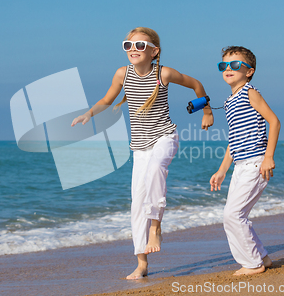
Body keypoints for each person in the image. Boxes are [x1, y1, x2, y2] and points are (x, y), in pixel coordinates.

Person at [71, 27, 213, 279]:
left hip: (165, 137)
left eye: (140, 46)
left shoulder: (164, 73)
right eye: (128, 45)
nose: (133, 50)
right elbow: (107, 100)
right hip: (140, 146)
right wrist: (88, 114)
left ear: (154, 51)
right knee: (137, 201)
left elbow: (196, 85)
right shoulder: (122, 74)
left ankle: (156, 227)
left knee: (157, 170)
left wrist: (207, 111)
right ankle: (141, 262)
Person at [209, 46, 280, 276]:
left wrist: (268, 157)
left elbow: (274, 122)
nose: (228, 69)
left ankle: (252, 264)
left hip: (256, 163)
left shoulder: (250, 92)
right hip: (240, 166)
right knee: (236, 215)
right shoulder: (229, 101)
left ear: (249, 71)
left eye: (235, 65)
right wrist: (222, 171)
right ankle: (262, 258)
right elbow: (234, 140)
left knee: (233, 215)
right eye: (224, 66)